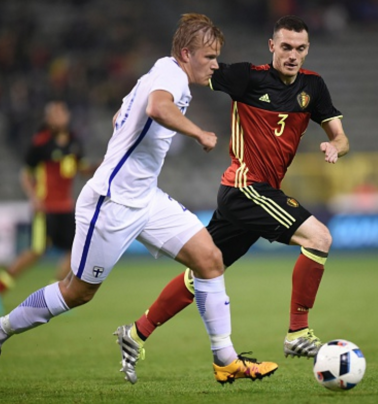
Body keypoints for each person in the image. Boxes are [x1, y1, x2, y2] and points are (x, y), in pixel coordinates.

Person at [0, 13, 278, 387]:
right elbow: (155, 108)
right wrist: (199, 132)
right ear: (186, 53)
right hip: (111, 203)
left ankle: (225, 360)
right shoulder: (172, 77)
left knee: (210, 259)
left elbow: (126, 109)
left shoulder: (160, 71)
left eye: (216, 57)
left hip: (146, 199)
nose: (216, 65)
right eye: (209, 57)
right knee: (77, 291)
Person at [115, 15, 349, 384]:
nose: (292, 55)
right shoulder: (247, 77)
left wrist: (334, 146)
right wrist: (139, 100)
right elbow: (190, 69)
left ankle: (135, 332)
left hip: (249, 194)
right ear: (272, 46)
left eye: (300, 48)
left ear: (307, 50)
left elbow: (341, 136)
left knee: (203, 273)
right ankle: (298, 333)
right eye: (285, 47)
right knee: (319, 238)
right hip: (246, 187)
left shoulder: (313, 88)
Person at [0, 101, 92, 316]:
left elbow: (82, 168)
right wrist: (33, 197)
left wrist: (102, 165)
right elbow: (25, 174)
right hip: (45, 207)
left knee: (75, 249)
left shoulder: (75, 141)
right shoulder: (41, 143)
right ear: (48, 119)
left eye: (61, 112)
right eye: (54, 114)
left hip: (66, 207)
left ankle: (58, 293)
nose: (59, 117)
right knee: (36, 251)